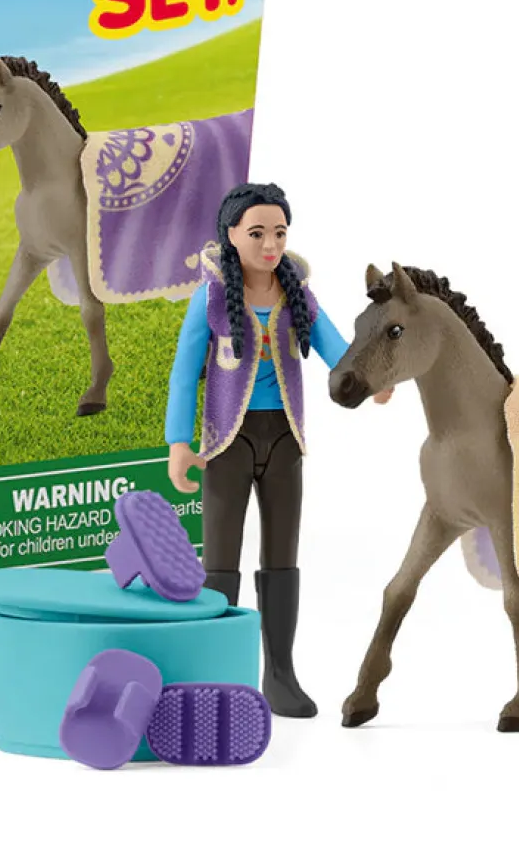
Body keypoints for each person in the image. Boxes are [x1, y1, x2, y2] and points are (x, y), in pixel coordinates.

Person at [165, 182, 391, 717]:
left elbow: (335, 349)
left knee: (282, 559)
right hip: (227, 441)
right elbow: (184, 373)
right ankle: (218, 672)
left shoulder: (297, 295)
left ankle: (280, 673)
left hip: (285, 439)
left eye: (280, 233)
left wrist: (369, 379)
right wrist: (178, 442)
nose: (271, 245)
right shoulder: (211, 297)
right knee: (220, 562)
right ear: (231, 235)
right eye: (258, 233)